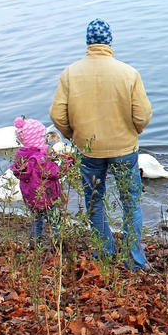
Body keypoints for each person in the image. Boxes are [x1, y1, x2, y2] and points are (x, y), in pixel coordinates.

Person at [49, 18, 153, 270]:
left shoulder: (70, 74)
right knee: (130, 203)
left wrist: (74, 134)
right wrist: (134, 130)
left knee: (95, 201)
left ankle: (105, 253)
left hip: (89, 151)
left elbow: (57, 114)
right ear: (109, 41)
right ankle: (134, 260)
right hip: (124, 149)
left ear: (88, 42)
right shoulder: (129, 73)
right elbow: (143, 114)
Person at [10, 117, 71, 242]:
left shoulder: (22, 157)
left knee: (36, 220)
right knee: (54, 221)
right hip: (47, 198)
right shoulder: (40, 160)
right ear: (38, 139)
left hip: (32, 199)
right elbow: (56, 173)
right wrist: (66, 164)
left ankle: (34, 242)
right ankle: (58, 244)